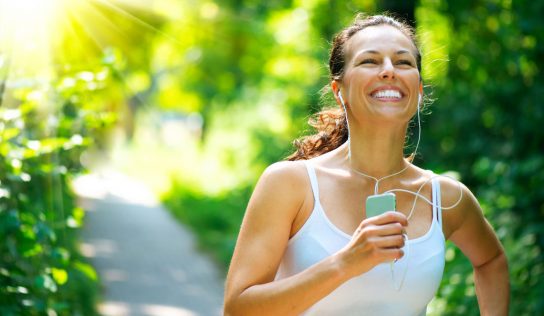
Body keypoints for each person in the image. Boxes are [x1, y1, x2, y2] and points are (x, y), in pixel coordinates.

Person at [224, 14, 509, 316]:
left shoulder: (447, 199)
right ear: (339, 90)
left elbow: (492, 262)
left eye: (403, 63)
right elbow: (237, 308)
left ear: (419, 89)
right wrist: (345, 262)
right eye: (370, 61)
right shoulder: (290, 184)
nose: (389, 71)